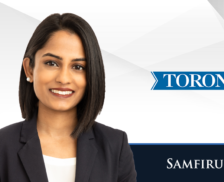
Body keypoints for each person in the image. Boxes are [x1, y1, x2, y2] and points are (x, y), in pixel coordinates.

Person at [0, 13, 137, 182]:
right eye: (52, 63)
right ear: (29, 69)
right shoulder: (2, 145)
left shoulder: (115, 146)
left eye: (78, 66)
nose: (63, 78)